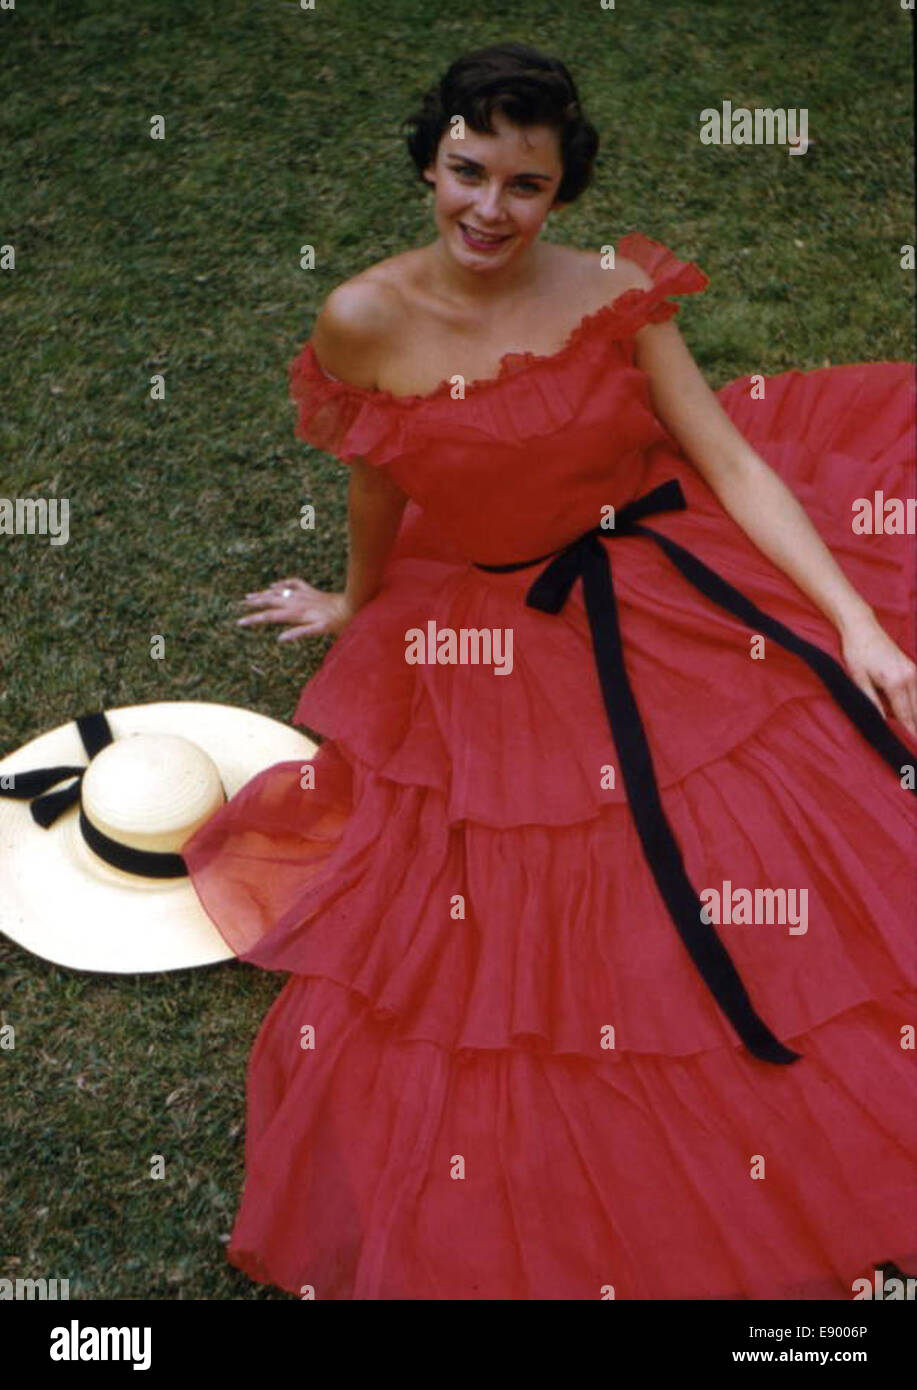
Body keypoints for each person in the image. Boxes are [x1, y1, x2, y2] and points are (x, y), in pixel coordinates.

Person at [182, 41, 917, 1300]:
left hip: (659, 570)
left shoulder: (614, 292)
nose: (487, 208)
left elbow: (730, 466)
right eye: (466, 171)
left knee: (798, 829)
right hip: (492, 621)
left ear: (560, 194)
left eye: (522, 186)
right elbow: (375, 476)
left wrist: (851, 617)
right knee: (531, 930)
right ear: (427, 163)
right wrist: (357, 601)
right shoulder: (360, 315)